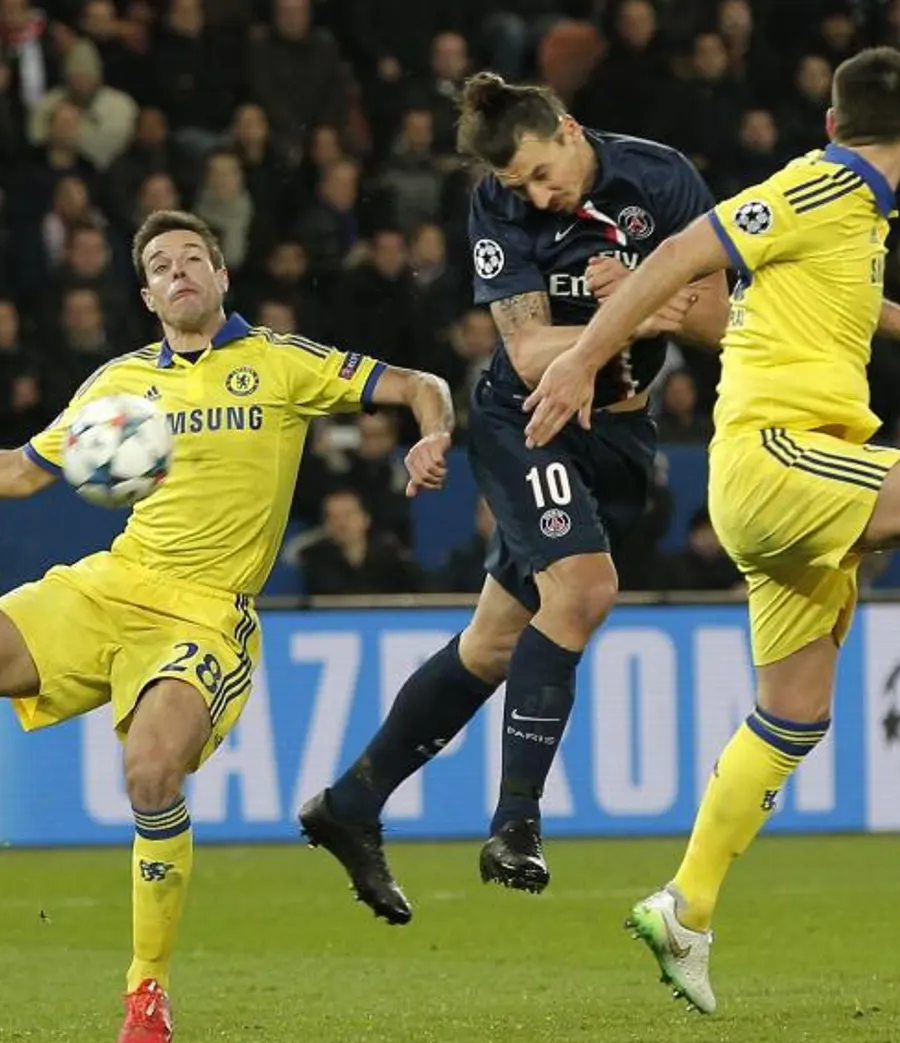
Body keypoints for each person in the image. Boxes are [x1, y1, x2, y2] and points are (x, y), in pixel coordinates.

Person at [522, 47, 900, 1015]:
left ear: (831, 120)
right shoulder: (817, 186)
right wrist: (580, 363)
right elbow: (682, 254)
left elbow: (824, 293)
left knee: (792, 716)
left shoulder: (848, 207)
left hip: (786, 493)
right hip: (776, 455)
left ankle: (683, 908)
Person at [0, 210, 455, 1043]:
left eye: (194, 258)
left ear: (223, 277)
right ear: (147, 294)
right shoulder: (116, 383)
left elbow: (416, 380)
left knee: (150, 769)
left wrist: (433, 431)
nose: (178, 271)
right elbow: (19, 469)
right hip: (113, 582)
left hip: (207, 612)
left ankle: (147, 985)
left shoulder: (282, 362)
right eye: (160, 264)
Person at [297, 72, 728, 918]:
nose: (536, 193)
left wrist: (647, 300)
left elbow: (720, 321)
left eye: (539, 172)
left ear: (569, 129)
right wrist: (640, 309)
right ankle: (515, 823)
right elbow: (531, 353)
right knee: (585, 587)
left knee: (495, 645)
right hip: (526, 419)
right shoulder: (499, 212)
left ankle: (349, 804)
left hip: (623, 435)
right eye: (517, 185)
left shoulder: (663, 178)